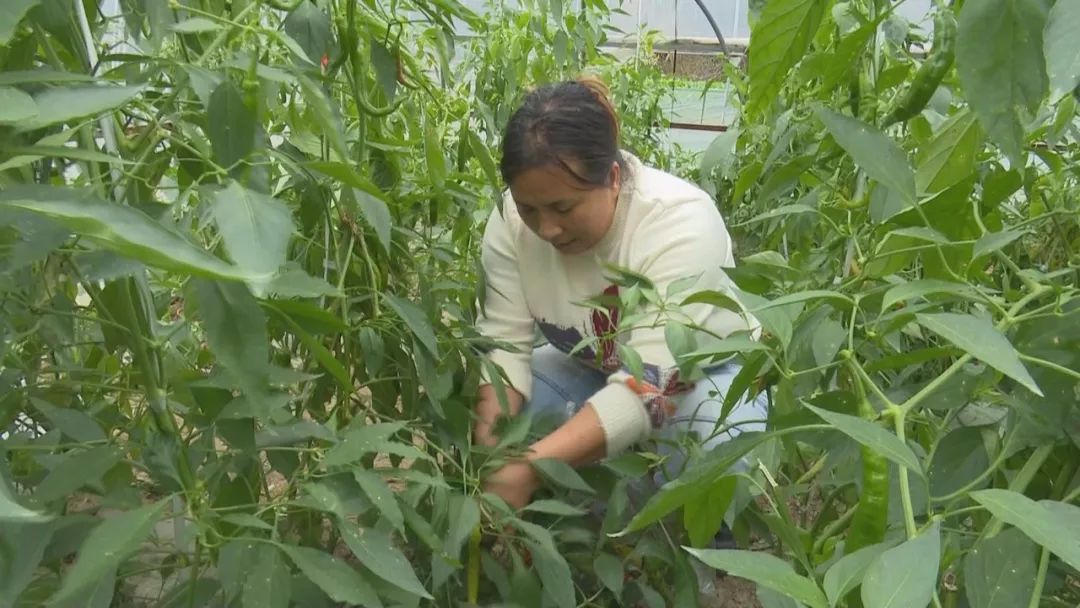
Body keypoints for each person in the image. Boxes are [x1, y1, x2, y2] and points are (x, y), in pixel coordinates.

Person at [471, 74, 769, 512]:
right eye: (528, 208)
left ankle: (698, 543)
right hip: (591, 367)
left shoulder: (679, 222)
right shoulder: (510, 224)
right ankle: (589, 516)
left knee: (715, 441)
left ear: (612, 177)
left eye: (563, 207)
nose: (546, 228)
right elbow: (503, 352)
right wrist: (491, 459)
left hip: (702, 376)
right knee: (515, 416)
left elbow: (653, 386)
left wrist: (530, 469)